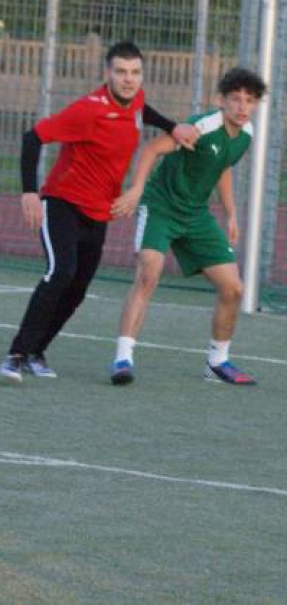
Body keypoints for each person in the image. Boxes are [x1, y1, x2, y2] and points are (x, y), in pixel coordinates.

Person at [1, 42, 197, 383]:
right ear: (107, 73)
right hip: (62, 203)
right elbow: (32, 138)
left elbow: (142, 110)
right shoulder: (87, 110)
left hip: (98, 212)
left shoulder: (134, 99)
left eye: (135, 72)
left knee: (77, 288)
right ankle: (15, 356)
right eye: (120, 72)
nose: (128, 79)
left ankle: (36, 352)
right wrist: (30, 192)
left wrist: (172, 126)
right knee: (60, 272)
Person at [107, 67, 266, 386]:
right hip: (162, 206)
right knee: (149, 273)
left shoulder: (245, 135)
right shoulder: (202, 127)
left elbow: (222, 167)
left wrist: (231, 213)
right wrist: (137, 189)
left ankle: (217, 363)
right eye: (235, 99)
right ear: (220, 100)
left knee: (233, 288)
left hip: (195, 215)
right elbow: (152, 149)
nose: (242, 107)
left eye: (249, 100)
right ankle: (123, 358)